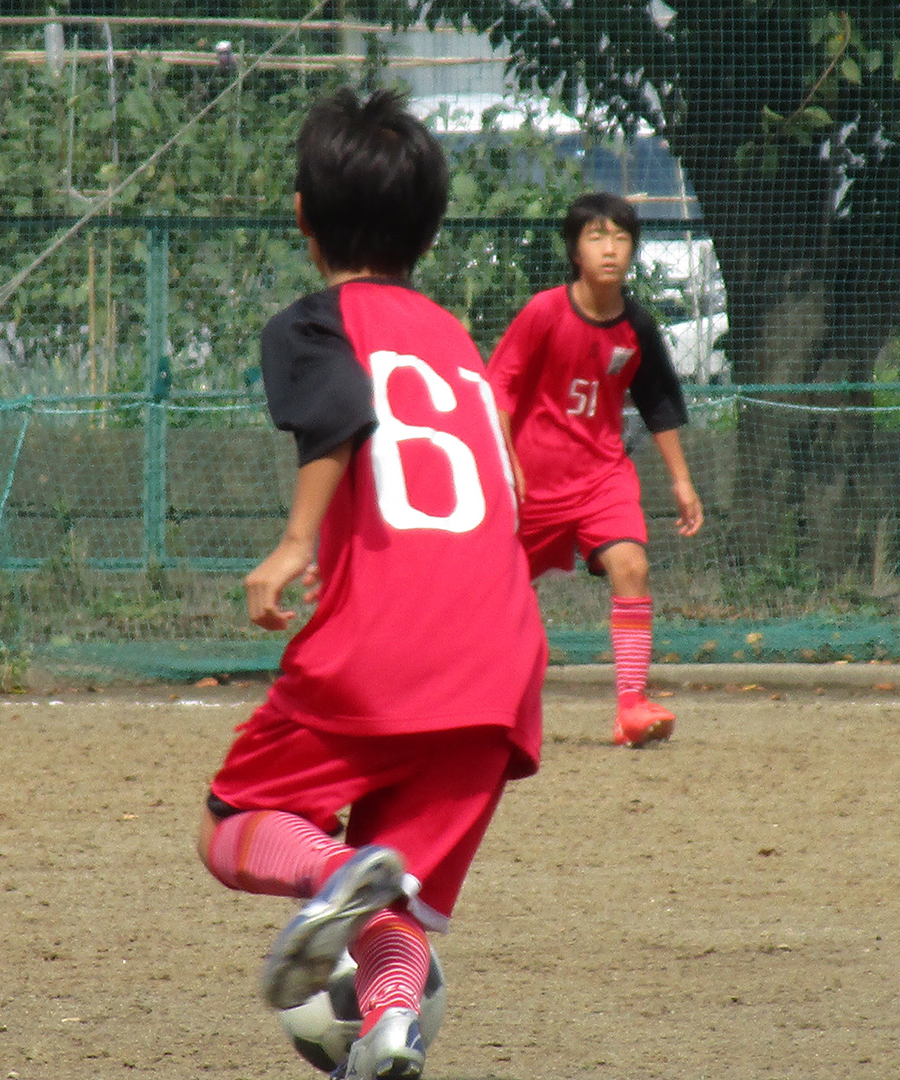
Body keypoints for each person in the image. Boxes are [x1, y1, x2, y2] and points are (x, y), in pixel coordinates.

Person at [196, 87, 546, 1080]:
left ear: (302, 217)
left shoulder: (316, 323)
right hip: (500, 659)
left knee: (232, 829)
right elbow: (509, 487)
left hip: (382, 644)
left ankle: (332, 870)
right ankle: (391, 1028)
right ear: (430, 229)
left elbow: (340, 412)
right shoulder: (458, 347)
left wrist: (297, 541)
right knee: (400, 902)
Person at [486, 191, 702, 749]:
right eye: (597, 237)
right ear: (575, 252)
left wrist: (680, 479)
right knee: (488, 594)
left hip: (602, 477)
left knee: (631, 564)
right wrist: (505, 457)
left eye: (622, 238)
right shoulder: (544, 312)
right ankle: (469, 701)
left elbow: (657, 402)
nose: (611, 249)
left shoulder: (638, 327)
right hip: (531, 485)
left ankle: (630, 707)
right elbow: (500, 386)